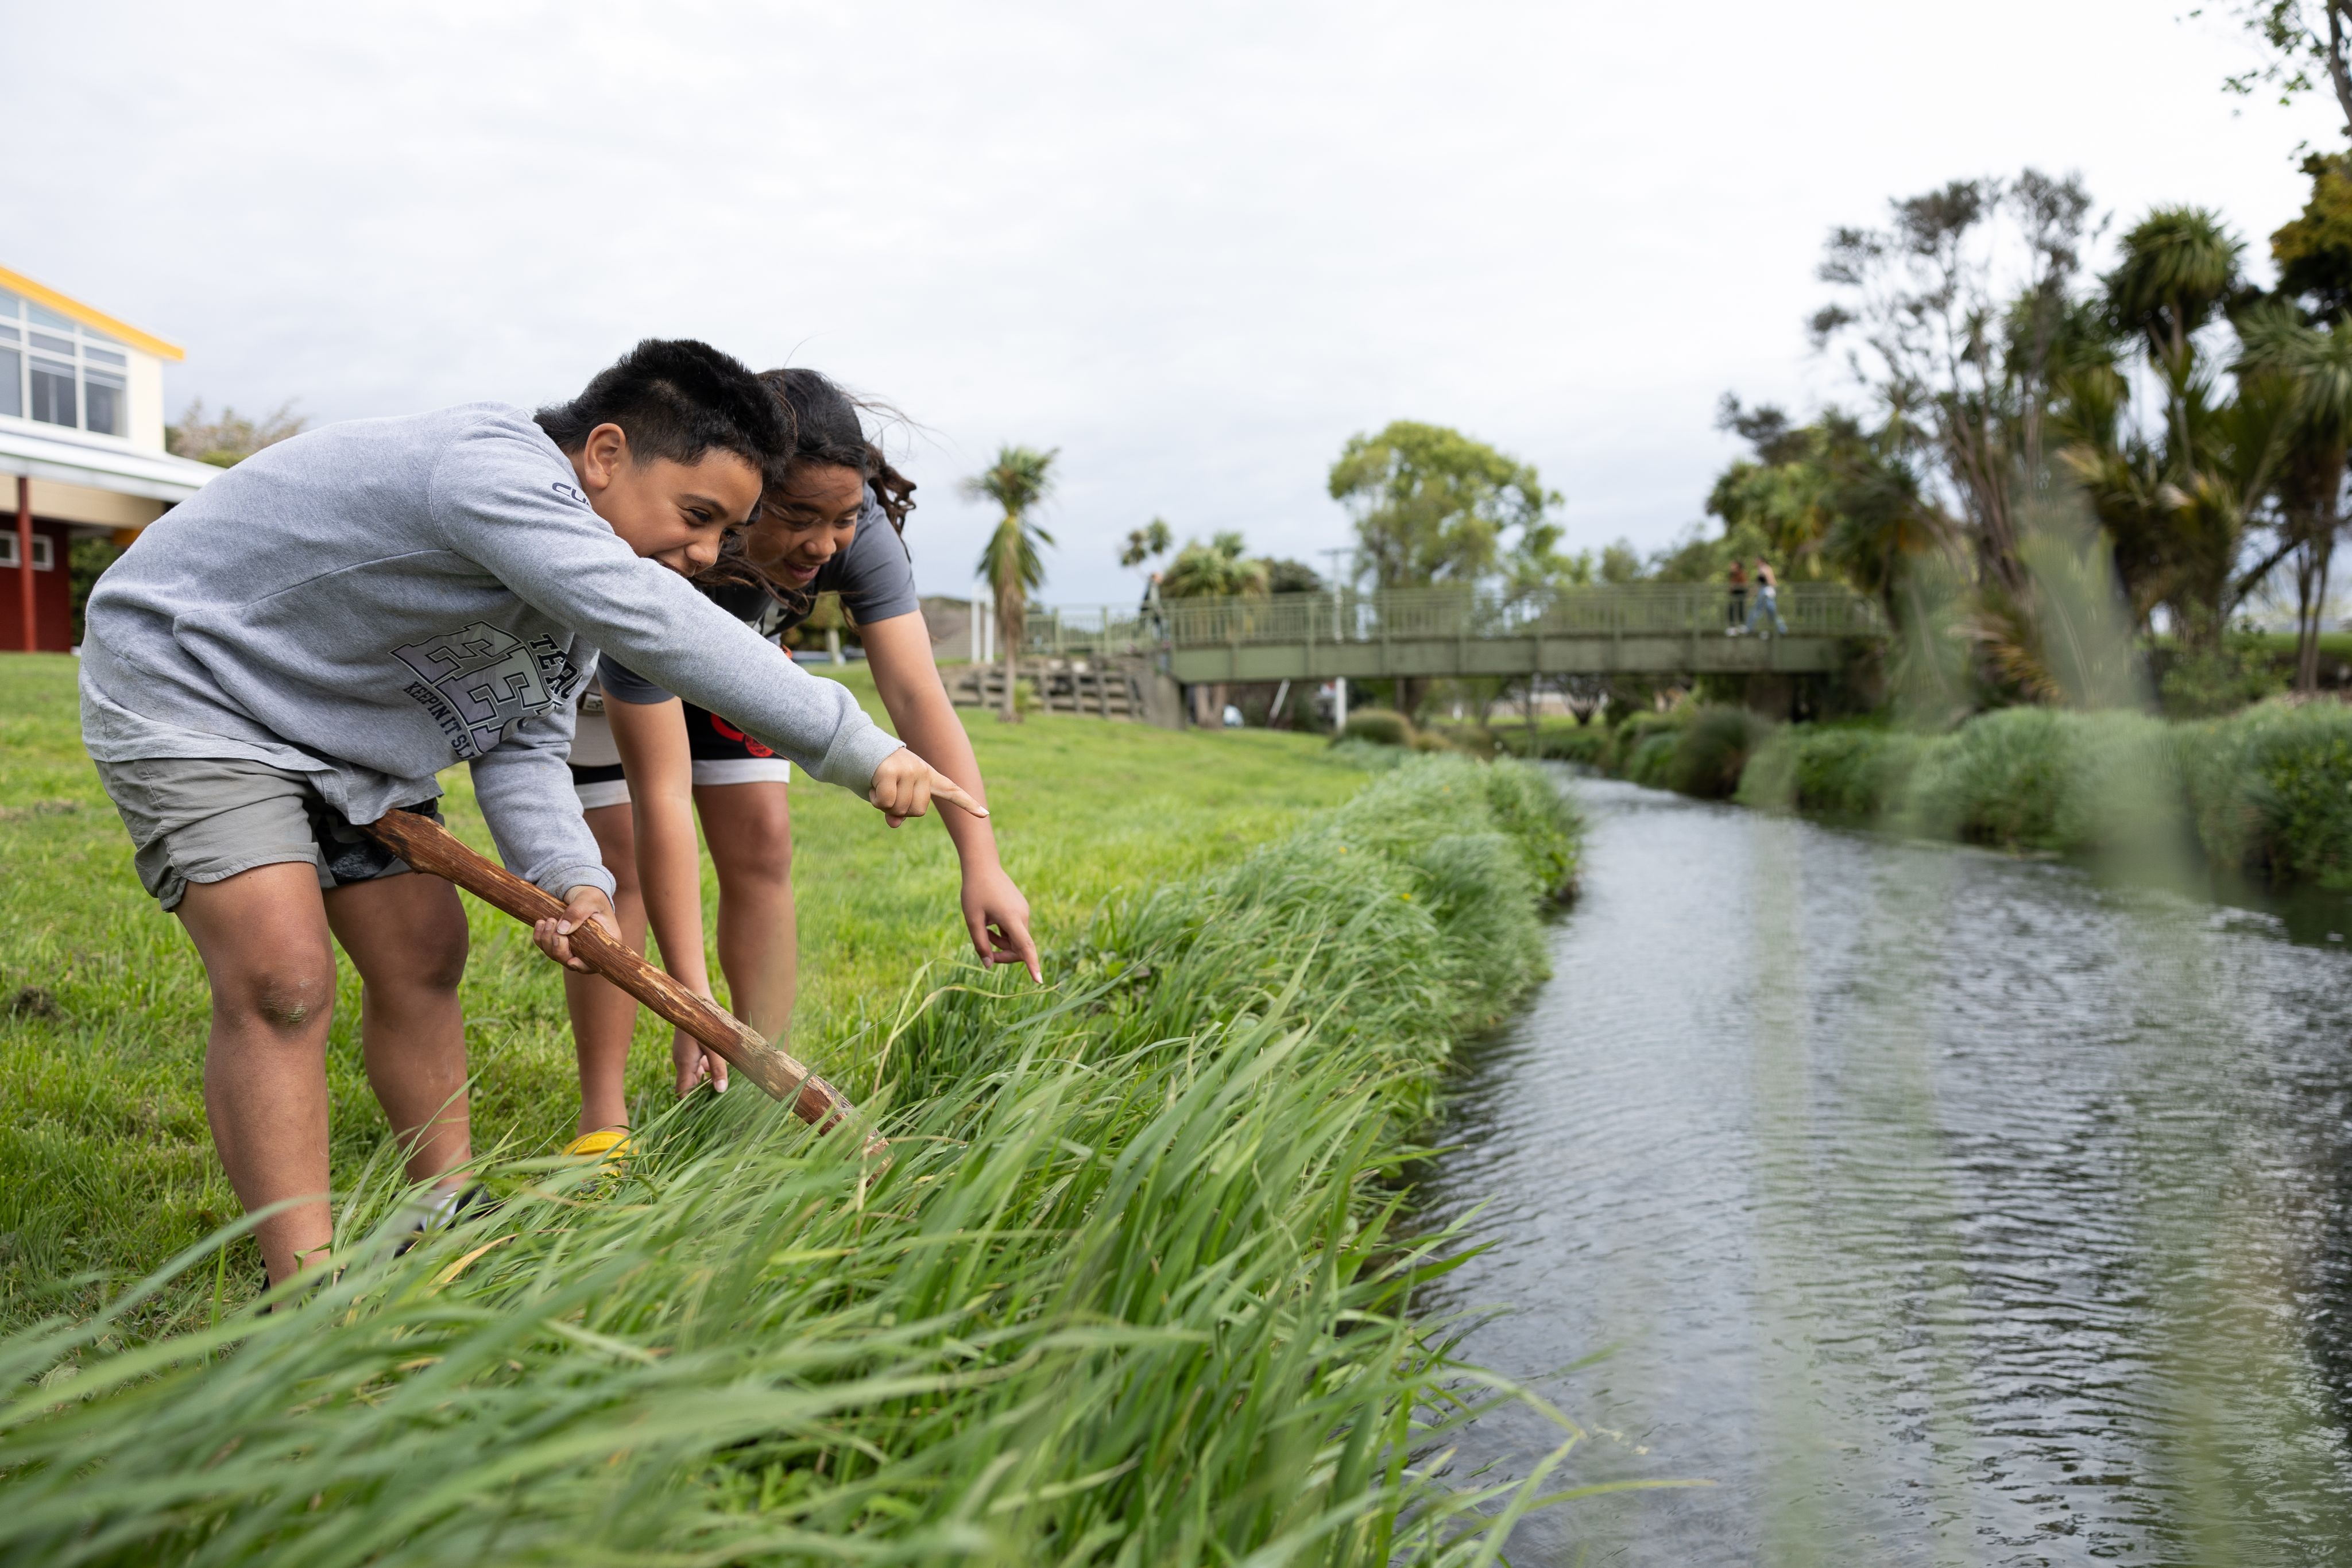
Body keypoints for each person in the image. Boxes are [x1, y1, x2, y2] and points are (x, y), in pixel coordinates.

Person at [78, 339, 980, 1286]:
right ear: (604, 453)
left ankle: (444, 1208)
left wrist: (577, 883)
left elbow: (519, 745)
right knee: (283, 977)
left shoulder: (564, 601)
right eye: (698, 516)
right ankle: (302, 1293)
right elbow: (656, 622)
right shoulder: (492, 472)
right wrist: (859, 746)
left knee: (425, 951)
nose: (709, 554)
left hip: (344, 728)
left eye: (726, 531)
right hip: (193, 688)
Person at [563, 369, 1040, 1147]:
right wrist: (691, 997)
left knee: (762, 841)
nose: (822, 543)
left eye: (843, 517)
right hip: (620, 667)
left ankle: (759, 1084)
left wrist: (980, 858)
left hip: (743, 664)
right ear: (746, 493)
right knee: (619, 866)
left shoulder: (856, 529)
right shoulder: (661, 557)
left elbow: (918, 695)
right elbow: (662, 796)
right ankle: (604, 1120)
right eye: (795, 516)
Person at [1747, 556, 1789, 636]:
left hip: (1767, 592)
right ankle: (1749, 628)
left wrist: (1773, 588)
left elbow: (1771, 581)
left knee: (1770, 612)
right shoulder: (1761, 569)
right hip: (1763, 592)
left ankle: (1782, 629)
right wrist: (1752, 592)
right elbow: (1758, 583)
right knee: (1763, 611)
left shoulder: (1765, 568)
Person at [1726, 558, 1748, 635]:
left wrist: (1735, 587)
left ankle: (1742, 626)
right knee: (1731, 609)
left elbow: (1744, 585)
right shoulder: (1732, 575)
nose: (1731, 567)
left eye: (1733, 565)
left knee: (1740, 609)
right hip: (1734, 595)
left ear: (1738, 566)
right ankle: (1733, 627)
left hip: (1740, 594)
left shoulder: (1742, 574)